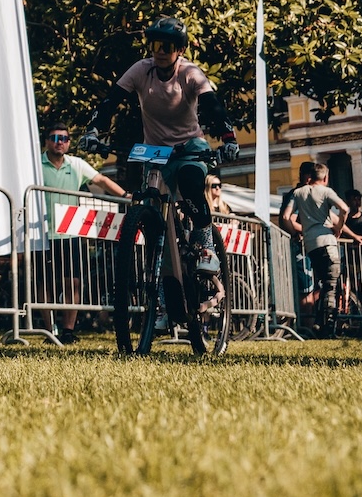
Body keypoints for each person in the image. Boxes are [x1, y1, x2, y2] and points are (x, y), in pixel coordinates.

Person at [82, 17, 237, 279]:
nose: (160, 52)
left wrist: (229, 138)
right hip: (155, 150)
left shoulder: (189, 73)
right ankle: (160, 286)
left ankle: (207, 247)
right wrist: (92, 130)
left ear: (180, 50)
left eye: (168, 46)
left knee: (190, 183)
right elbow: (112, 100)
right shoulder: (141, 70)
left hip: (189, 147)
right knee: (150, 210)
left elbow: (213, 105)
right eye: (155, 45)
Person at [36, 123, 125, 342]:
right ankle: (50, 331)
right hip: (42, 234)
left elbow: (101, 180)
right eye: (54, 138)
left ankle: (68, 331)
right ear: (46, 141)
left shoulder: (76, 164)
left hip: (71, 233)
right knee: (45, 284)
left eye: (64, 139)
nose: (59, 142)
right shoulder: (35, 164)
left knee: (73, 282)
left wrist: (126, 196)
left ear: (68, 143)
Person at [279, 159, 362, 336]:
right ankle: (326, 326)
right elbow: (344, 209)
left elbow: (286, 217)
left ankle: (318, 322)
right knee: (330, 286)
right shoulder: (325, 191)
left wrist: (297, 232)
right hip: (327, 242)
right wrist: (339, 229)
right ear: (325, 178)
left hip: (311, 245)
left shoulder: (298, 193)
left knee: (322, 286)